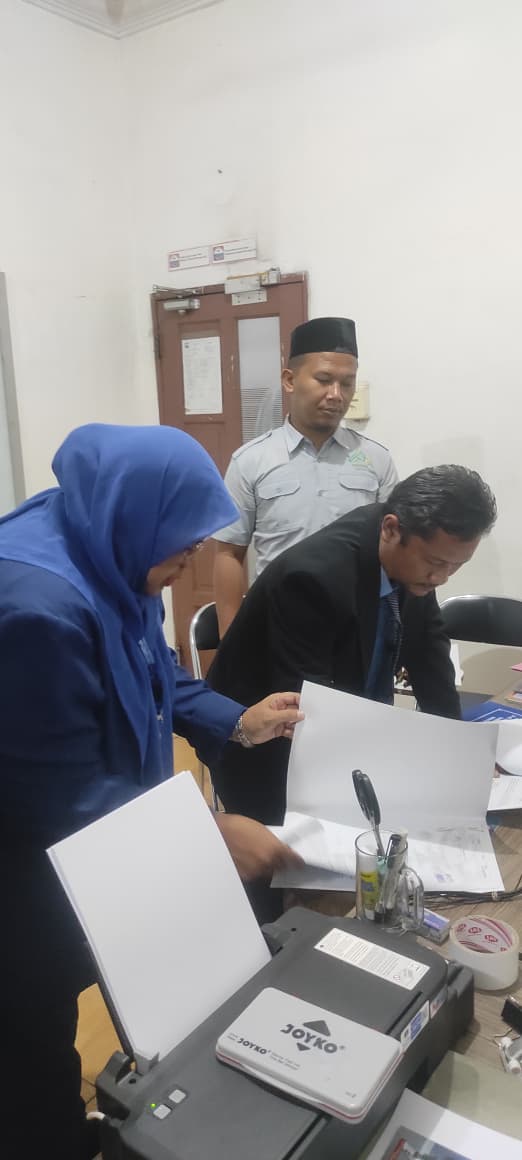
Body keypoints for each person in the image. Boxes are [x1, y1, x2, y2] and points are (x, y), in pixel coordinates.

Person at [0, 423, 304, 1160]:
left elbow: (151, 668)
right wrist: (205, 834)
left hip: (87, 842)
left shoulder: (109, 543)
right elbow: (51, 794)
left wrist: (237, 721)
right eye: (182, 545)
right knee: (27, 1028)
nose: (193, 560)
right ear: (131, 519)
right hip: (24, 861)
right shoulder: (36, 609)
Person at [208, 465, 497, 828]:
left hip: (345, 731)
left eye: (456, 566)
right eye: (436, 563)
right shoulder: (311, 578)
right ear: (391, 529)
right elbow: (310, 705)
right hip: (267, 753)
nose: (441, 577)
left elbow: (429, 654)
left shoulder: (412, 557)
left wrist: (457, 752)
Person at [213, 316, 398, 635]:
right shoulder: (251, 461)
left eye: (347, 383)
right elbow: (229, 553)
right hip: (278, 625)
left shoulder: (376, 459)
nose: (336, 394)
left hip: (356, 628)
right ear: (289, 380)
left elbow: (395, 547)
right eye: (324, 379)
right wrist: (231, 641)